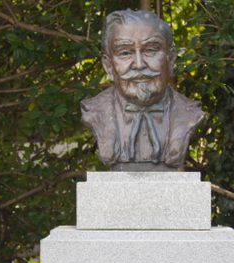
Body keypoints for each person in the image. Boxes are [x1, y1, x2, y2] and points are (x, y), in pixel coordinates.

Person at [81, 9, 204, 171]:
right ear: (108, 66)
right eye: (125, 52)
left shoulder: (190, 114)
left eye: (151, 50)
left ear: (171, 59)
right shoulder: (95, 111)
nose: (139, 64)